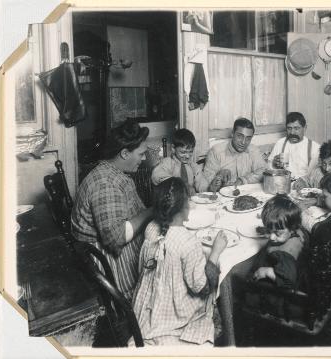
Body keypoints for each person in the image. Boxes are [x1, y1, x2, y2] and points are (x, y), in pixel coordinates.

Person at [132, 177, 228, 346]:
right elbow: (203, 288)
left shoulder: (151, 228)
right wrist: (215, 252)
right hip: (172, 318)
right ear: (185, 207)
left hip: (145, 309)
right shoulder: (188, 242)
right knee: (213, 298)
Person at [71, 119, 153, 299]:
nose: (144, 158)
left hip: (109, 252)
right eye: (141, 154)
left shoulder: (111, 171)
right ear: (124, 153)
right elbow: (116, 238)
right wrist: (151, 212)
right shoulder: (105, 184)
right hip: (108, 265)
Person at [251, 194, 308, 289]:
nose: (272, 237)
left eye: (278, 233)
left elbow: (288, 281)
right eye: (269, 231)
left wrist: (267, 272)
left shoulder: (285, 254)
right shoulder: (296, 230)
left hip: (282, 294)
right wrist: (274, 231)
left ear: (292, 228)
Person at [199, 118, 267, 192]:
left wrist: (243, 180)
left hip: (246, 194)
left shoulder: (254, 150)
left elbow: (264, 171)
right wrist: (219, 176)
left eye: (248, 138)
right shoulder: (216, 151)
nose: (243, 142)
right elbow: (207, 182)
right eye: (240, 136)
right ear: (232, 133)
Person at [151, 128, 205, 195]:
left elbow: (202, 183)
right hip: (171, 201)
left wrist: (210, 187)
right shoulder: (167, 163)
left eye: (190, 152)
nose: (187, 156)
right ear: (173, 148)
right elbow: (156, 176)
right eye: (183, 152)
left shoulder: (193, 166)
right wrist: (181, 184)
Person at [268, 112, 320, 180]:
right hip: (283, 181)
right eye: (289, 128)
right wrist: (273, 164)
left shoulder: (315, 148)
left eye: (296, 128)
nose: (292, 132)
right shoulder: (280, 143)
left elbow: (316, 174)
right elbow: (269, 167)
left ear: (305, 128)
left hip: (304, 185)